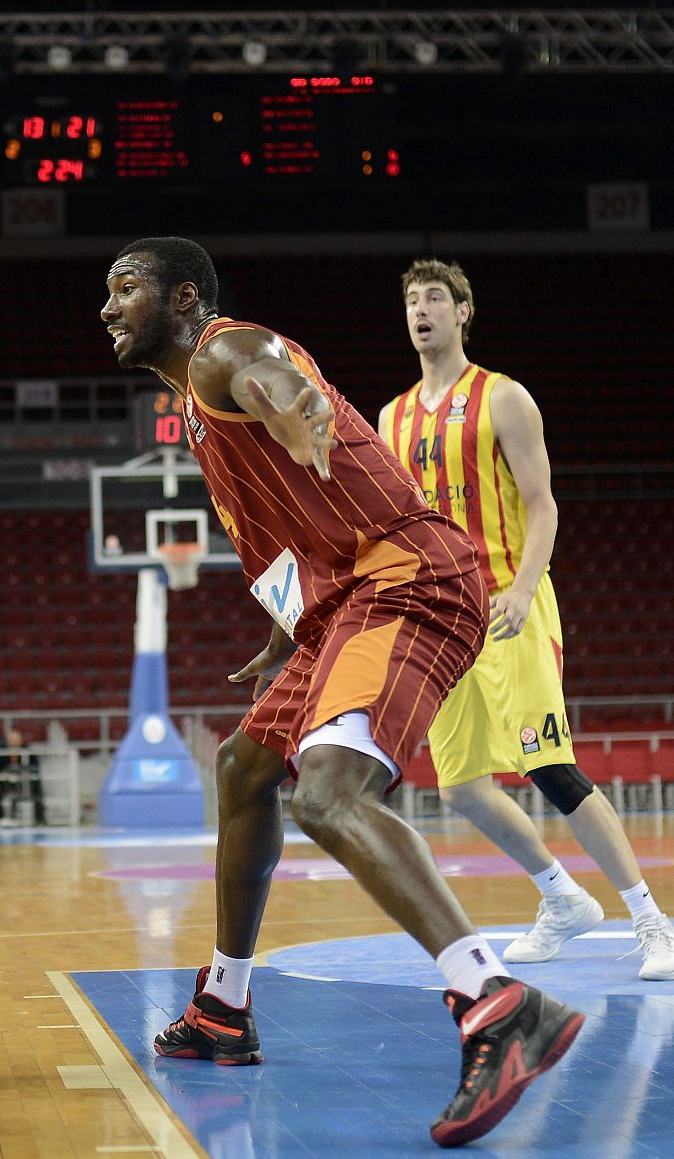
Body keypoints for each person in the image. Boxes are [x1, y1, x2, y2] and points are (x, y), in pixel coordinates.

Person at [101, 236, 585, 1148]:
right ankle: (224, 1007)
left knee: (326, 793)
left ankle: (496, 1000)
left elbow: (273, 376)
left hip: (408, 578)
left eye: (126, 288)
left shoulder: (221, 352)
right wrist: (284, 634)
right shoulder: (197, 414)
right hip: (336, 611)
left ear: (184, 297)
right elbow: (295, 534)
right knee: (245, 768)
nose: (107, 306)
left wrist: (293, 407)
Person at [379, 259, 674, 980]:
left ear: (463, 312)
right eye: (411, 301)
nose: (420, 310)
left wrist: (522, 589)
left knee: (548, 764)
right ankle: (561, 896)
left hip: (507, 605)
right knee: (458, 785)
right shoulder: (392, 418)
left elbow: (543, 504)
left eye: (434, 299)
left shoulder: (503, 398)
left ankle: (653, 922)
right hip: (441, 621)